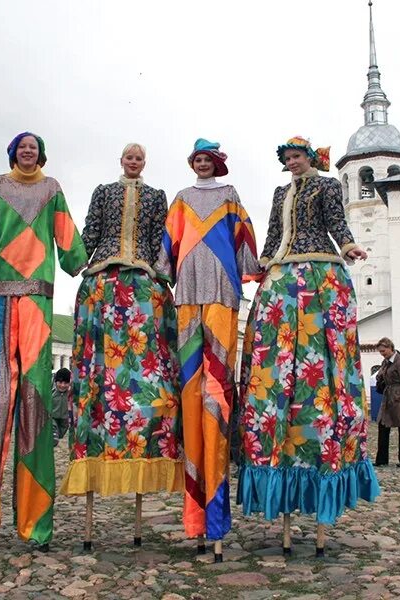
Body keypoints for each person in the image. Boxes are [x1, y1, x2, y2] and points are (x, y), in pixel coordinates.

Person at [237, 136, 378, 555]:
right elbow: (273, 234)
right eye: (287, 159)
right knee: (276, 365)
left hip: (320, 273)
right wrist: (262, 264)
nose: (292, 163)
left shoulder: (328, 186)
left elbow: (336, 222)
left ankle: (324, 461)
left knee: (323, 368)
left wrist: (349, 244)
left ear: (310, 158)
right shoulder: (281, 192)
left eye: (297, 157)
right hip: (283, 276)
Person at [0, 132, 88, 550]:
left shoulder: (52, 189)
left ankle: (37, 524)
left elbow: (64, 230)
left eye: (34, 147)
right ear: (14, 152)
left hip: (36, 297)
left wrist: (79, 260)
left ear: (42, 154)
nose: (28, 152)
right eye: (22, 147)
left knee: (34, 402)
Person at [60, 143, 183, 511]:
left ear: (144, 163)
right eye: (129, 158)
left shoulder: (156, 196)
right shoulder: (104, 192)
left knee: (147, 366)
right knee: (103, 367)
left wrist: (165, 273)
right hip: (105, 279)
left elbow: (163, 238)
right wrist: (77, 261)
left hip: (144, 278)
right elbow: (92, 229)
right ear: (121, 162)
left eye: (139, 158)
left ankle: (150, 443)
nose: (133, 163)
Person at [156, 138, 258, 556]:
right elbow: (168, 242)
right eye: (197, 159)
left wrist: (253, 268)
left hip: (222, 293)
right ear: (192, 163)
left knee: (217, 394)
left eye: (207, 159)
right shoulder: (180, 199)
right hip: (188, 296)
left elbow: (244, 237)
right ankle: (196, 517)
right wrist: (162, 271)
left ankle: (213, 518)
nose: (202, 164)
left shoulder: (230, 197)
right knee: (191, 392)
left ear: (216, 162)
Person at [375, 337, 400, 467]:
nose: (382, 353)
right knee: (383, 426)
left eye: (384, 351)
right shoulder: (385, 362)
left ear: (390, 348)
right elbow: (381, 376)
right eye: (380, 351)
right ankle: (381, 459)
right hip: (388, 396)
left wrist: (397, 396)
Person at [51, 368, 72, 447]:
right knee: (52, 427)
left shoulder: (70, 393)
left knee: (60, 434)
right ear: (56, 381)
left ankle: (56, 436)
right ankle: (52, 437)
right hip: (52, 416)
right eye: (60, 382)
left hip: (64, 418)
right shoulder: (52, 391)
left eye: (66, 383)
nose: (62, 385)